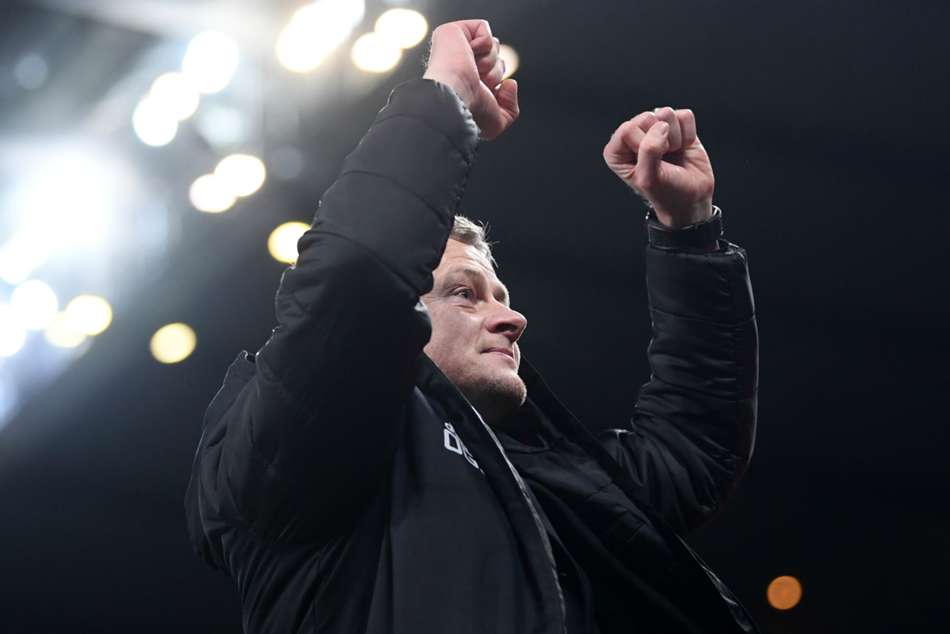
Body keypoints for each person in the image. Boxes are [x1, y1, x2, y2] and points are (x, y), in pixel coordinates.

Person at [185, 19, 759, 634]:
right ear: (396, 319)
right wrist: (444, 99)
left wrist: (689, 229)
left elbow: (690, 452)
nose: (513, 318)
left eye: (499, 296)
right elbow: (356, 278)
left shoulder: (538, 469)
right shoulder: (298, 447)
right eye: (465, 294)